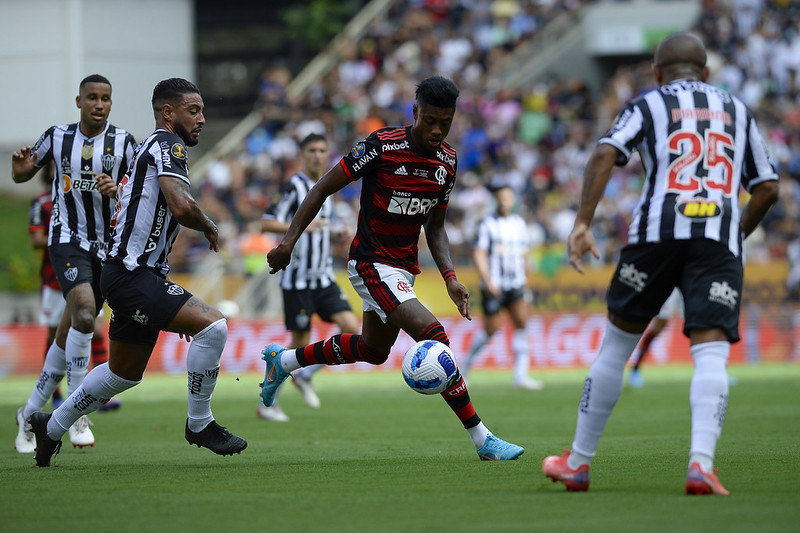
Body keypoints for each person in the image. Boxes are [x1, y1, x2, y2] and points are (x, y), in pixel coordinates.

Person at [542, 33, 779, 495]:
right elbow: (767, 187)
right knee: (711, 350)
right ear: (706, 73)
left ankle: (578, 463)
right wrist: (736, 232)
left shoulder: (647, 103)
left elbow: (607, 152)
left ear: (657, 72)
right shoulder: (737, 109)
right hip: (717, 239)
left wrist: (583, 223)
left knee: (616, 346)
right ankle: (701, 466)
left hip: (658, 233)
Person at [263, 76, 524, 460]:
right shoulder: (380, 147)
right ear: (415, 112)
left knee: (372, 350)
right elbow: (321, 188)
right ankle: (483, 440)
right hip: (370, 262)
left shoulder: (447, 163)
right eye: (430, 120)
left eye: (445, 122)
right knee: (435, 335)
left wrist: (451, 278)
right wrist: (288, 241)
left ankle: (284, 360)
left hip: (401, 270)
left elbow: (435, 226)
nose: (436, 130)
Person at [28, 77, 247, 467]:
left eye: (202, 111)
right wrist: (211, 225)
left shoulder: (148, 146)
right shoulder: (167, 144)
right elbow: (180, 206)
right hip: (132, 275)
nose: (202, 119)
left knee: (123, 374)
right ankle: (200, 423)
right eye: (193, 110)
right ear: (168, 112)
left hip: (130, 275)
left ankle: (51, 427)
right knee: (213, 326)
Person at [12, 74, 135, 452]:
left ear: (111, 103)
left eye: (106, 99)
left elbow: (137, 192)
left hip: (105, 247)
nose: (99, 104)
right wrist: (19, 168)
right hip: (66, 240)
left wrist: (118, 191)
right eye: (92, 98)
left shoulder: (125, 143)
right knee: (85, 315)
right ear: (78, 101)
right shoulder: (57, 137)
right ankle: (77, 413)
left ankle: (30, 412)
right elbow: (23, 175)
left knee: (68, 335)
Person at [258, 133, 360, 422]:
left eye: (322, 150)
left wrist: (335, 230)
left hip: (323, 277)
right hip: (297, 281)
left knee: (351, 328)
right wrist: (303, 225)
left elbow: (323, 225)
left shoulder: (328, 186)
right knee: (298, 343)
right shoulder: (294, 185)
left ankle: (305, 376)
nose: (317, 155)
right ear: (302, 154)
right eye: (312, 150)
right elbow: (266, 221)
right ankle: (268, 403)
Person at [462, 183, 542, 389]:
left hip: (516, 283)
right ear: (495, 200)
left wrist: (526, 277)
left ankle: (520, 375)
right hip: (494, 285)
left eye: (507, 197)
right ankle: (464, 368)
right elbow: (478, 253)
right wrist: (487, 280)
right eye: (500, 198)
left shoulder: (519, 224)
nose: (504, 201)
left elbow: (525, 253)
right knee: (491, 329)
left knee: (522, 323)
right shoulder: (487, 223)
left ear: (513, 200)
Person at [627, 287, 684, 387]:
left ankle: (706, 369)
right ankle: (635, 369)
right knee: (658, 327)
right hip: (673, 285)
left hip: (690, 282)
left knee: (697, 324)